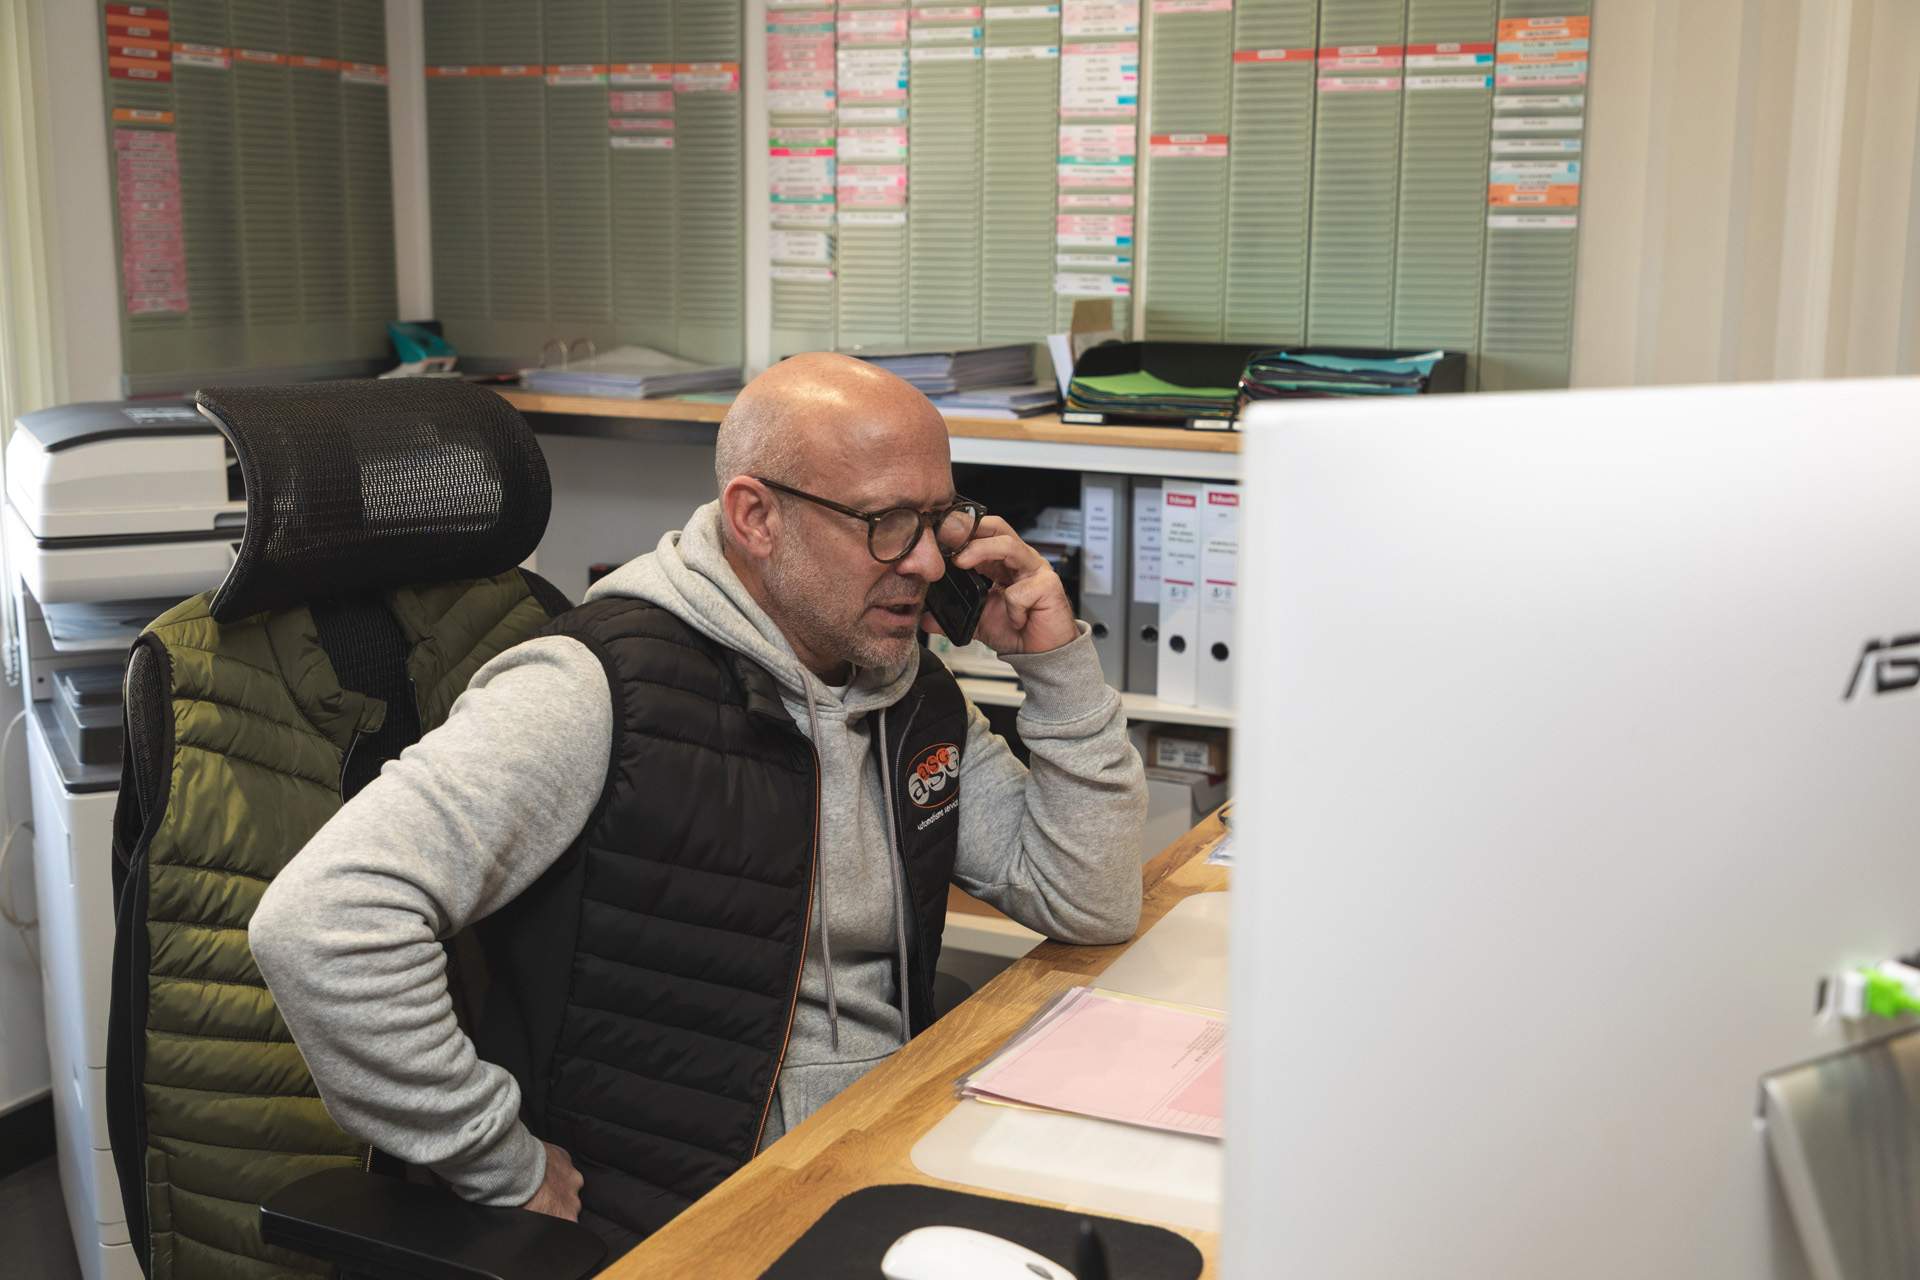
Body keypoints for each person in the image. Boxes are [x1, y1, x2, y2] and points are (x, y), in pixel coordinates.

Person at [250, 352, 1148, 1246]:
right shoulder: (595, 691)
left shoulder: (902, 690)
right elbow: (323, 925)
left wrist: (1056, 666)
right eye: (885, 523)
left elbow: (1088, 901)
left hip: (882, 1149)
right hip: (694, 1216)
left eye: (938, 519)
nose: (922, 560)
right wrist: (493, 1158)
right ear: (756, 517)